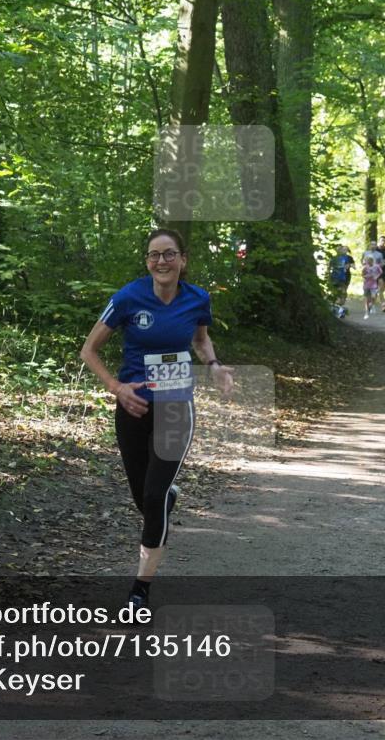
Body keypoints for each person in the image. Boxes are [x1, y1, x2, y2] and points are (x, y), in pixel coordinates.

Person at [80, 228, 234, 609]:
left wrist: (213, 365)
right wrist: (118, 388)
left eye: (169, 254)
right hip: (134, 407)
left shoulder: (198, 299)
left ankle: (139, 590)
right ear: (147, 261)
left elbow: (200, 340)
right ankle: (166, 499)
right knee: (143, 498)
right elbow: (88, 350)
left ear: (182, 260)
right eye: (154, 255)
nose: (161, 262)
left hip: (176, 408)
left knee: (153, 496)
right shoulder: (128, 298)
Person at [328, 245, 354, 318]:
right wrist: (328, 276)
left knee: (343, 293)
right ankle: (338, 309)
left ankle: (338, 308)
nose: (340, 250)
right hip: (335, 278)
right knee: (338, 293)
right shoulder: (334, 258)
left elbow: (352, 265)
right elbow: (329, 267)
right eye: (339, 249)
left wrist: (349, 265)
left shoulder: (347, 258)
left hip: (344, 277)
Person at [361, 255, 382, 319]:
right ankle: (366, 312)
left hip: (373, 284)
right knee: (367, 299)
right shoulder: (365, 267)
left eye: (370, 260)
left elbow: (380, 272)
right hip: (366, 284)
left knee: (373, 296)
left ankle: (372, 305)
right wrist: (366, 276)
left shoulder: (376, 266)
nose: (368, 262)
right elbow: (362, 274)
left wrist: (376, 276)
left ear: (372, 261)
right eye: (367, 261)